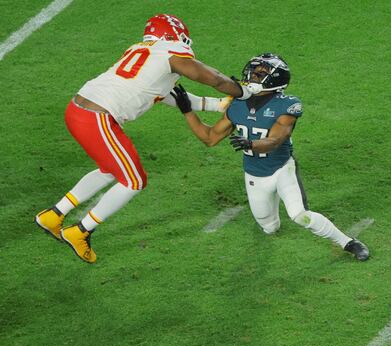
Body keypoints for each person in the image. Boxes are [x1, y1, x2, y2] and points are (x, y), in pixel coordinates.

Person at [34, 14, 261, 263]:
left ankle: (54, 215)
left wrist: (219, 105)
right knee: (134, 181)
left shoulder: (143, 52)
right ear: (174, 35)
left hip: (79, 110)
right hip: (98, 118)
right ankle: (81, 231)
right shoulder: (171, 53)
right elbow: (213, 78)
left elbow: (164, 94)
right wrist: (242, 91)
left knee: (111, 168)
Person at [169, 53, 369, 261]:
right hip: (255, 174)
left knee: (300, 215)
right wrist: (187, 111)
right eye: (254, 71)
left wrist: (251, 144)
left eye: (261, 73)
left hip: (282, 169)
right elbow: (209, 138)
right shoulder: (236, 105)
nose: (254, 76)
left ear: (276, 78)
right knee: (269, 227)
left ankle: (348, 242)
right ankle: (271, 222)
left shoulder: (287, 104)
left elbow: (276, 140)